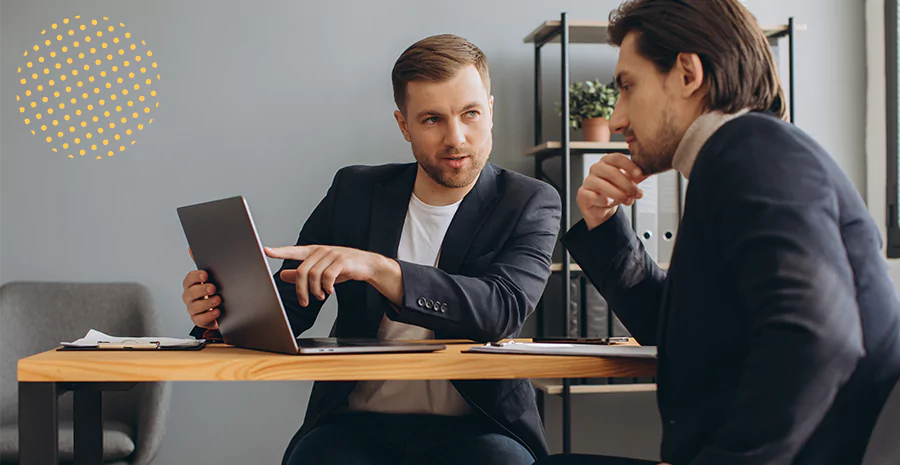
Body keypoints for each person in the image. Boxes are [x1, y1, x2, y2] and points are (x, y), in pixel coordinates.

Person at [537, 1, 900, 464]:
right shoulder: (741, 155)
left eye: (628, 87)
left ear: (688, 73)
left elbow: (819, 337)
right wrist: (606, 227)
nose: (616, 118)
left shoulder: (749, 150)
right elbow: (675, 328)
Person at [180, 34, 561, 465]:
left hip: (482, 427)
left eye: (470, 114)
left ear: (490, 111)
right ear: (404, 126)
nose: (456, 137)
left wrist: (380, 269)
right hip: (354, 426)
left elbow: (501, 310)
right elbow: (290, 304)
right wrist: (220, 315)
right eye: (433, 119)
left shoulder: (530, 200)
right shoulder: (354, 191)